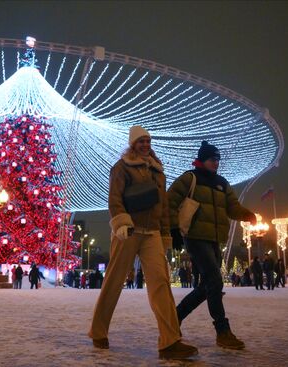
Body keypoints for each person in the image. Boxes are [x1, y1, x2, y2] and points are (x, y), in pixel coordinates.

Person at [88, 126, 197, 360]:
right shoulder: (122, 167)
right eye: (141, 141)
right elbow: (115, 199)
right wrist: (122, 223)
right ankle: (98, 331)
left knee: (161, 282)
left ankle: (170, 341)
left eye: (148, 141)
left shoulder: (159, 171)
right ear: (133, 144)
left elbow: (164, 206)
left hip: (152, 233)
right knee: (114, 281)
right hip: (128, 231)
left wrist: (167, 233)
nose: (145, 145)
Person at [168, 140, 256, 350]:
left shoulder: (222, 183)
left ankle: (174, 318)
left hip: (215, 239)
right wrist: (173, 229)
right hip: (196, 238)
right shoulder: (190, 179)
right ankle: (223, 331)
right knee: (215, 281)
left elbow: (232, 207)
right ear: (202, 159)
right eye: (211, 159)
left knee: (207, 286)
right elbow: (169, 201)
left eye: (217, 160)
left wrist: (246, 214)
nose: (215, 163)